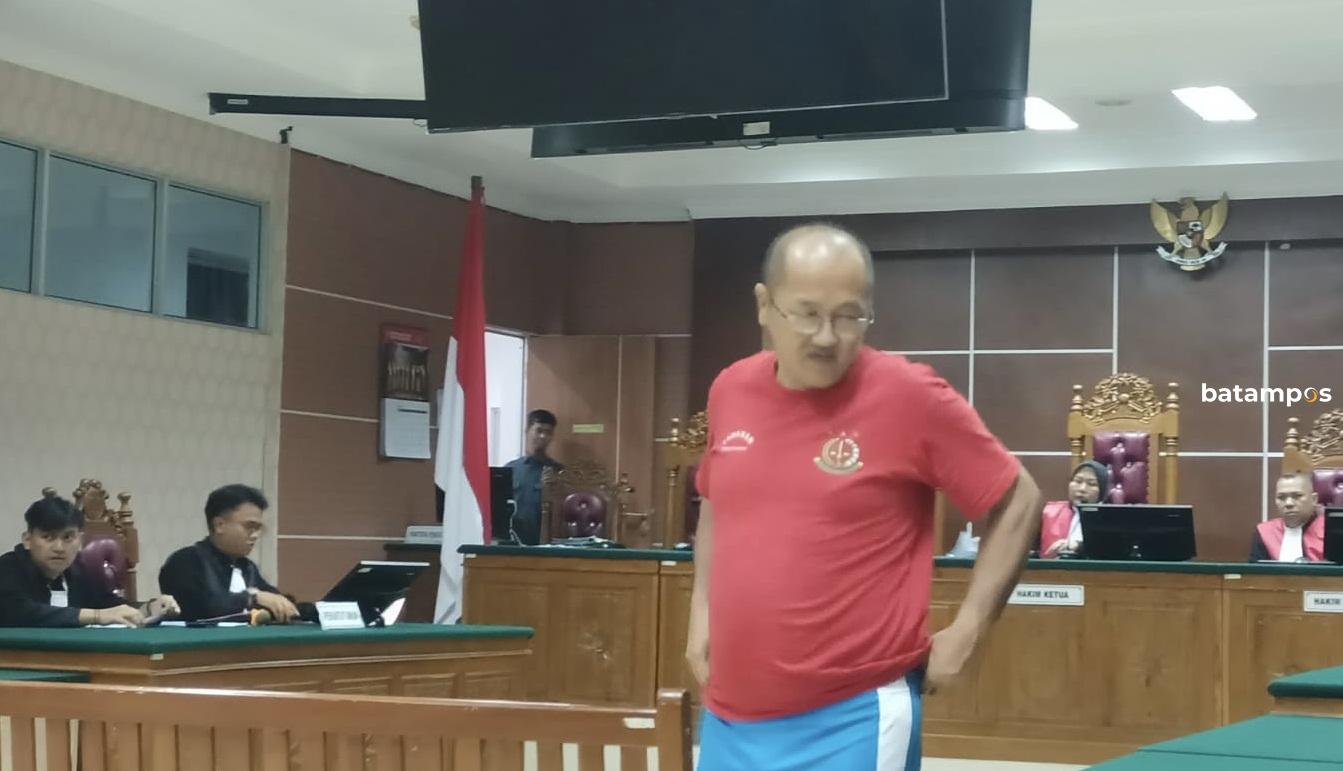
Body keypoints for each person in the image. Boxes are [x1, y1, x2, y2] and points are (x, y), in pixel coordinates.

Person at [688, 223, 1040, 771]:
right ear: (764, 306)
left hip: (854, 715)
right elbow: (717, 502)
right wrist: (701, 613)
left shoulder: (909, 395)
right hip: (731, 713)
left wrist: (971, 629)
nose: (827, 337)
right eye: (807, 314)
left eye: (849, 316)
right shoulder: (730, 389)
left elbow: (1020, 499)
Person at [0, 496, 179, 627]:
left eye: (68, 537)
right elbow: (19, 612)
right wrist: (96, 616)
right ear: (27, 540)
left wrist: (149, 608)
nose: (59, 547)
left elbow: (110, 606)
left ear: (80, 541)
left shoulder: (80, 572)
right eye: (48, 537)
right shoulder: (7, 569)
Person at [159, 484, 300, 623]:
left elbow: (273, 598)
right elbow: (200, 607)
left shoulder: (247, 567)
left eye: (258, 529)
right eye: (249, 527)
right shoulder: (185, 561)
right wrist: (252, 598)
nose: (255, 535)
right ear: (219, 525)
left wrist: (286, 605)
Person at [505, 409, 563, 544]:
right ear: (527, 431)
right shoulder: (511, 469)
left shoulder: (559, 472)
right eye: (539, 430)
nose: (543, 436)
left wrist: (555, 488)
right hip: (514, 541)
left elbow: (563, 512)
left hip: (548, 542)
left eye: (548, 432)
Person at [1038, 460, 1111, 558]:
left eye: (1091, 484)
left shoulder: (1110, 518)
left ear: (1102, 491)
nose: (1082, 489)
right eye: (1078, 481)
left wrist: (1078, 546)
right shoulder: (1048, 512)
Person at [1251, 472, 1324, 562]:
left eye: (1297, 496)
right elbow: (1256, 570)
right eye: (1281, 497)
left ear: (1314, 499)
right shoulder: (1265, 532)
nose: (1288, 503)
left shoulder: (1330, 530)